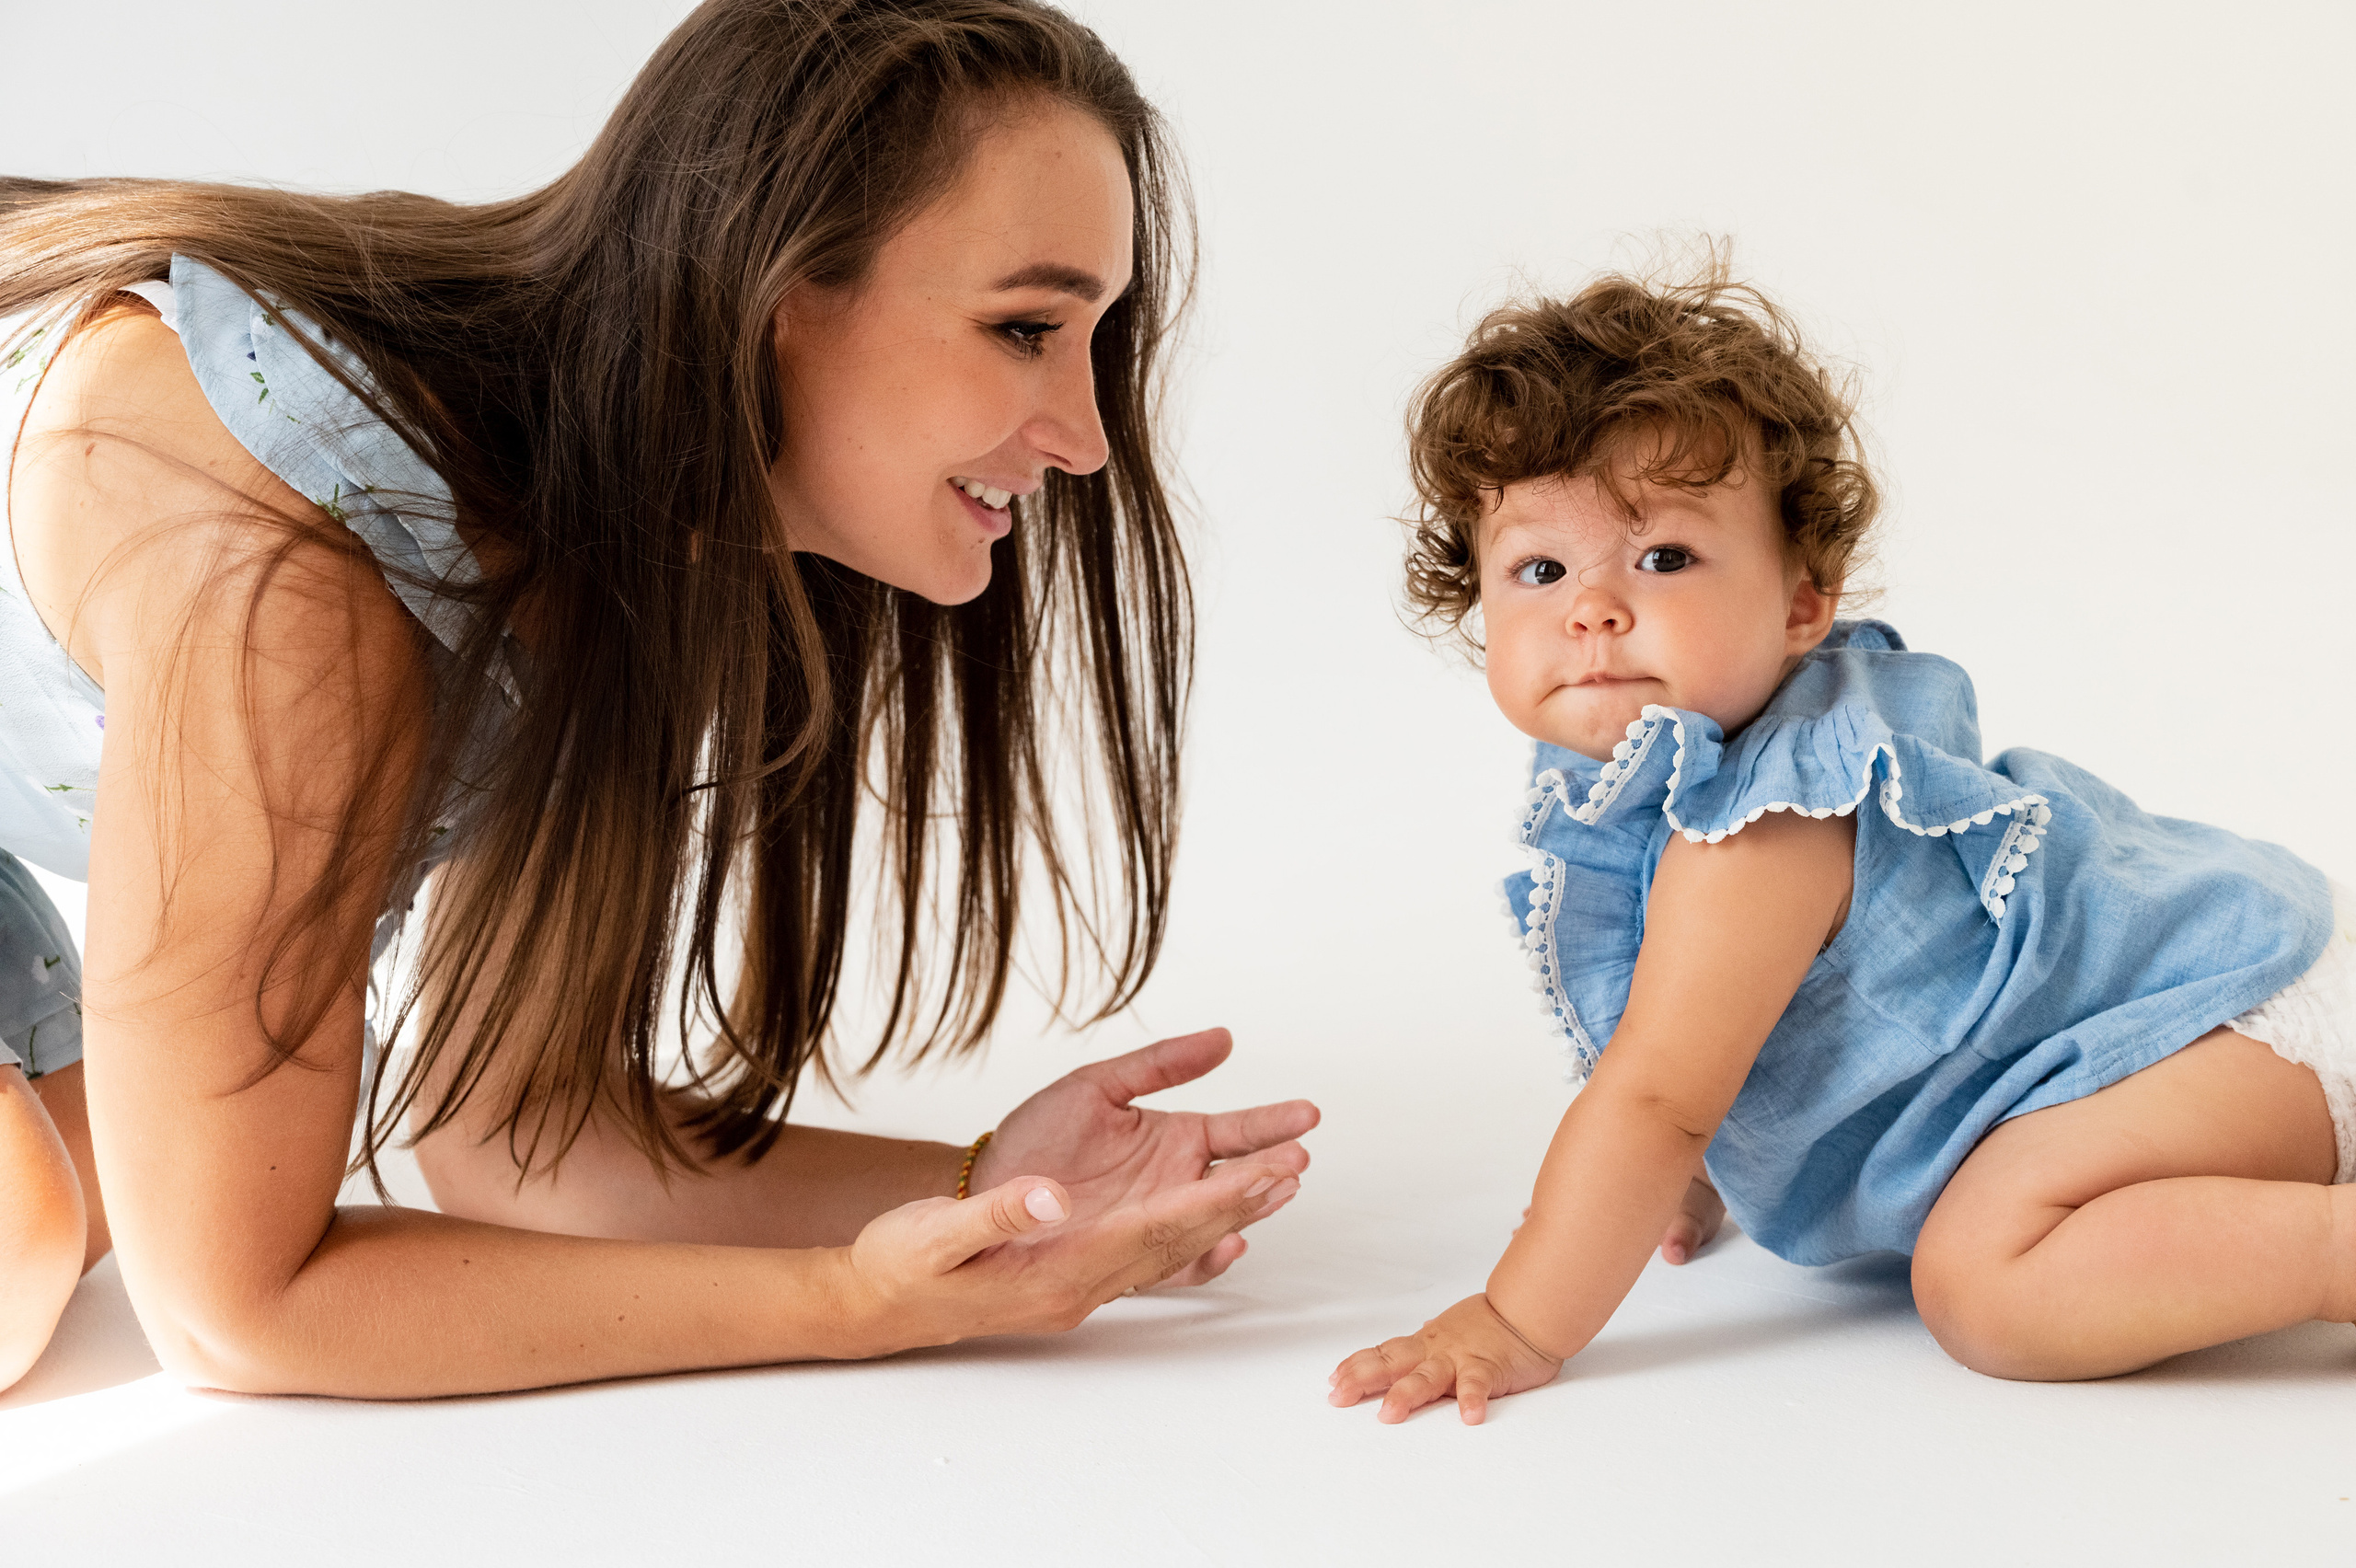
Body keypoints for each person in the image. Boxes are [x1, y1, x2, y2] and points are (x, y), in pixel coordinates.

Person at [0, 0, 1315, 1399]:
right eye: (1025, 327)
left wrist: (992, 1194)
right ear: (776, 291)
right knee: (32, 1248)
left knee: (84, 1201)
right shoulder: (297, 555)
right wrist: (852, 1310)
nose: (1086, 438)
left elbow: (510, 1129)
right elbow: (233, 1313)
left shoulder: (632, 514)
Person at [1328, 261, 2351, 1424]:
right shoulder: (1656, 776)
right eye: (1538, 570)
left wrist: (1514, 1317)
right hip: (2193, 1000)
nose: (1592, 609)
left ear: (1802, 600)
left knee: (1988, 1288)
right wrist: (1709, 1170)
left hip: (2222, 1028)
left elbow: (1657, 1096)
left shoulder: (1762, 827)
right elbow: (1725, 1042)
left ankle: (2335, 1249)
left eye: (1663, 557)